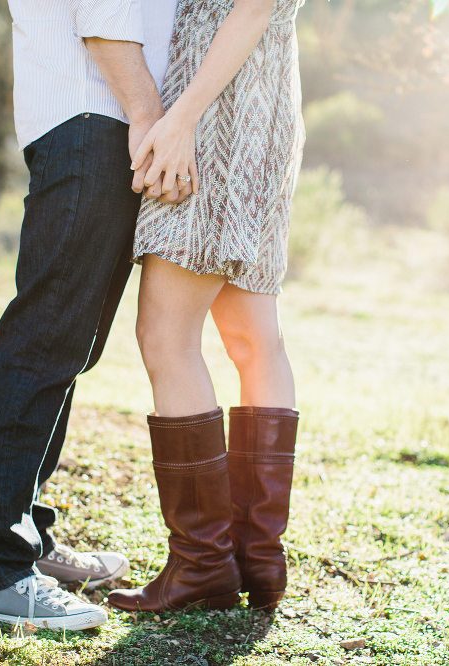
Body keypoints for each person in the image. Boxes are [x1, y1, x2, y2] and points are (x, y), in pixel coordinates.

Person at [0, 0, 185, 631]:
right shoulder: (109, 117)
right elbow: (105, 15)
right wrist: (148, 117)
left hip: (98, 121)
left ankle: (28, 537)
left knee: (67, 346)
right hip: (94, 120)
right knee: (44, 338)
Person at [105, 0, 304, 612]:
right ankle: (258, 557)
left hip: (214, 115)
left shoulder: (195, 115)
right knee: (253, 341)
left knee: (167, 339)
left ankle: (203, 562)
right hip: (267, 104)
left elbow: (251, 8)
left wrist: (181, 120)